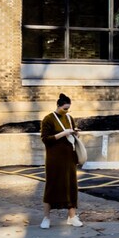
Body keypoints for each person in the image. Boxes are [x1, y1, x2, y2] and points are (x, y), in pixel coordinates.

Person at [38, 93, 81, 228]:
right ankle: (46, 218)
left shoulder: (69, 118)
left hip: (69, 158)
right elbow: (45, 139)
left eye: (68, 109)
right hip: (54, 159)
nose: (67, 111)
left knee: (71, 186)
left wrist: (75, 133)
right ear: (58, 105)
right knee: (52, 187)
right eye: (65, 108)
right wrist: (63, 133)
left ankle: (72, 217)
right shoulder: (48, 119)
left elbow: (72, 135)